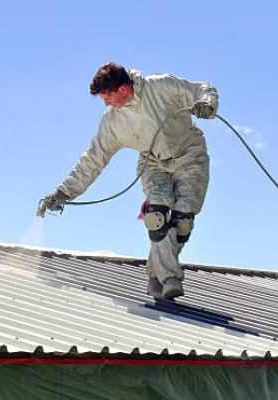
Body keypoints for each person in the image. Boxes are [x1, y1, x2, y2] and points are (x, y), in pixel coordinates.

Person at [41, 61, 218, 300]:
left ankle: (155, 274)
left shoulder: (160, 86)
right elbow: (93, 158)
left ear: (123, 89)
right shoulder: (112, 122)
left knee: (183, 220)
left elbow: (202, 88)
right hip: (153, 161)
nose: (106, 103)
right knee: (156, 216)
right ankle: (170, 278)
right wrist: (64, 192)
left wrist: (207, 103)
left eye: (107, 97)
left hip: (190, 154)